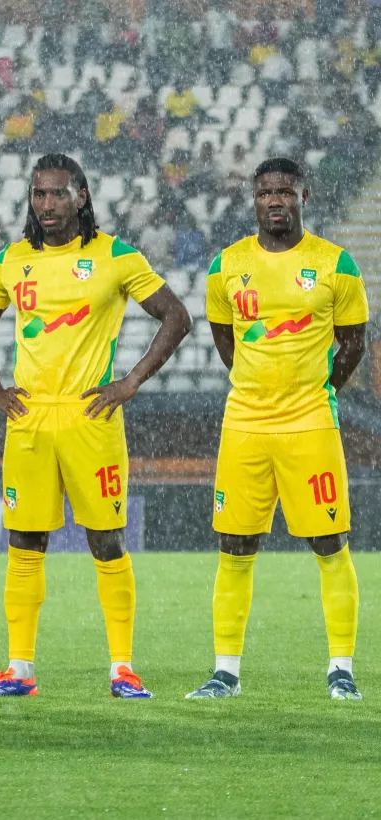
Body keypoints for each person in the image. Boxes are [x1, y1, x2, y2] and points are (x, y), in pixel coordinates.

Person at [0, 153, 191, 698]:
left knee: (106, 541)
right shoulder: (12, 260)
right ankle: (19, 670)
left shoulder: (114, 255)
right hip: (30, 418)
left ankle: (123, 670)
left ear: (81, 196)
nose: (47, 204)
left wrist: (129, 382)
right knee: (24, 542)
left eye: (58, 193)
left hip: (92, 417)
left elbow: (176, 316)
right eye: (38, 193)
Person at [187, 158, 368, 701]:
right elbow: (225, 339)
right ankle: (225, 673)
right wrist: (258, 386)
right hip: (245, 422)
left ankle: (341, 669)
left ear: (303, 197)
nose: (275, 200)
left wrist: (318, 389)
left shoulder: (336, 264)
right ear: (254, 199)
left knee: (329, 542)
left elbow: (354, 342)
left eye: (285, 192)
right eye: (266, 192)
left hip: (310, 423)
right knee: (235, 545)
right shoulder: (226, 265)